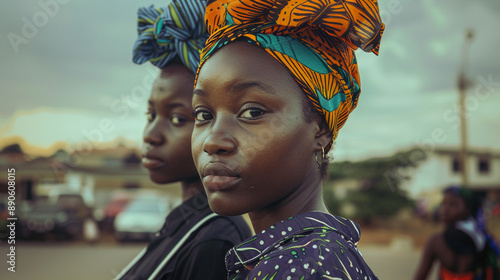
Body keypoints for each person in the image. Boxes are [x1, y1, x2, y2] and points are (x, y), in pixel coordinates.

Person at [190, 0, 384, 279]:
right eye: (203, 114)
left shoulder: (301, 267)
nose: (212, 141)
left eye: (252, 112)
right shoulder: (318, 254)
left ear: (320, 129)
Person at [115, 1, 251, 279]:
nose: (150, 135)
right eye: (150, 114)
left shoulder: (215, 239)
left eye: (177, 118)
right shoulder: (186, 223)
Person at [414, 186, 500, 280]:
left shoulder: (436, 241)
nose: (445, 210)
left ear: (468, 210)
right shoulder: (484, 239)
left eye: (453, 205)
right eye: (443, 204)